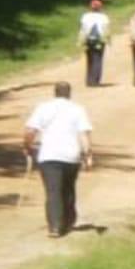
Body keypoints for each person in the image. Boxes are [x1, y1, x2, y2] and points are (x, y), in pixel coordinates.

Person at [23, 82, 93, 238]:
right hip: (71, 156)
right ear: (69, 93)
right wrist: (87, 153)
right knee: (68, 188)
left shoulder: (43, 107)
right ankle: (68, 221)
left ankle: (55, 226)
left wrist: (27, 145)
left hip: (49, 155)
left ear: (55, 93)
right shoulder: (77, 109)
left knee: (53, 190)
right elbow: (83, 134)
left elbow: (31, 130)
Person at [77, 0, 110, 87]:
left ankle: (89, 80)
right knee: (98, 59)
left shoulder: (85, 16)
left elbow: (82, 28)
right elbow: (106, 29)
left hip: (88, 40)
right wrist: (108, 40)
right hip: (99, 40)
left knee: (89, 59)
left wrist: (81, 40)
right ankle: (95, 80)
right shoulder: (104, 17)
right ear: (100, 8)